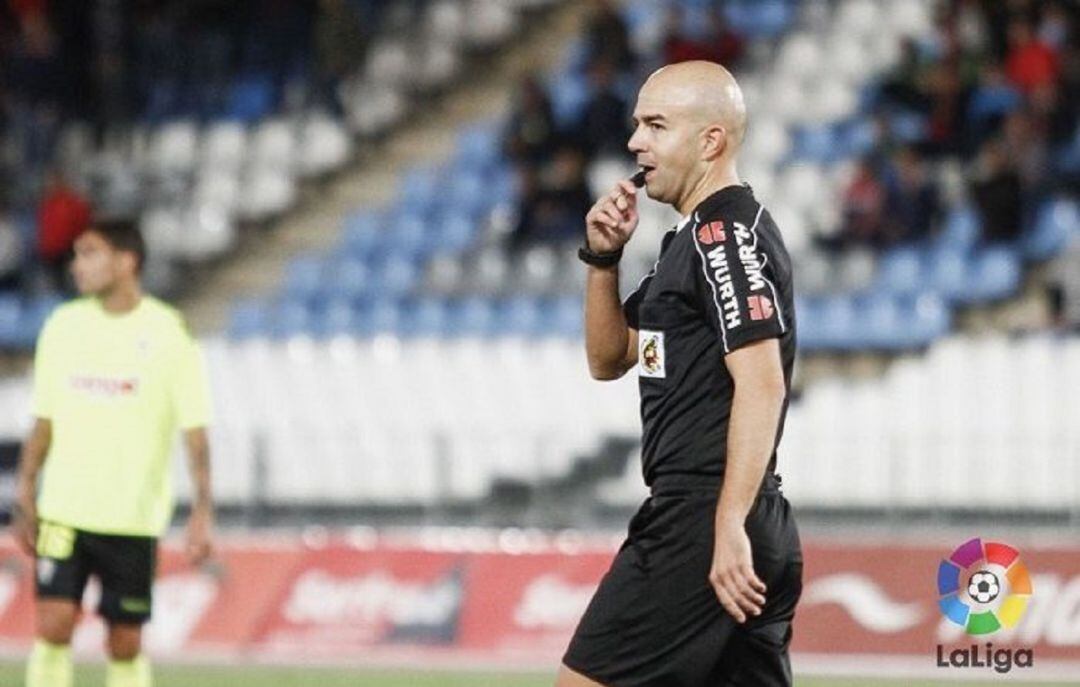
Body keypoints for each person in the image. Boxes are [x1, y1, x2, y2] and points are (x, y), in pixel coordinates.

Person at [559, 61, 802, 687]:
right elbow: (609, 358)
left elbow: (763, 381)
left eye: (656, 125)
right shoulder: (689, 243)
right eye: (638, 124)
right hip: (741, 519)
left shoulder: (723, 236)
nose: (636, 141)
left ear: (710, 141)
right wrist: (603, 259)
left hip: (704, 520)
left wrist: (725, 524)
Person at [12, 220, 214, 687]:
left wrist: (203, 509)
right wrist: (26, 490)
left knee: (125, 641)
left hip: (132, 517)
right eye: (77, 254)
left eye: (90, 254)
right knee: (53, 624)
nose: (76, 265)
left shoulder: (168, 332)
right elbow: (43, 420)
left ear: (127, 261)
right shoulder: (63, 326)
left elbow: (195, 431)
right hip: (65, 510)